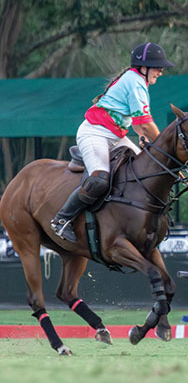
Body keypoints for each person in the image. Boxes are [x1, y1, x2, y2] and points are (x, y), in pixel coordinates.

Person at [50, 42, 174, 242]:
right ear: (143, 67)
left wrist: (143, 138)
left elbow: (137, 124)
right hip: (94, 133)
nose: (161, 71)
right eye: (158, 67)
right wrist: (162, 147)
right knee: (99, 179)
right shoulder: (135, 82)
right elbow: (146, 122)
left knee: (143, 168)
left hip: (115, 136)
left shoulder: (139, 82)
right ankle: (61, 219)